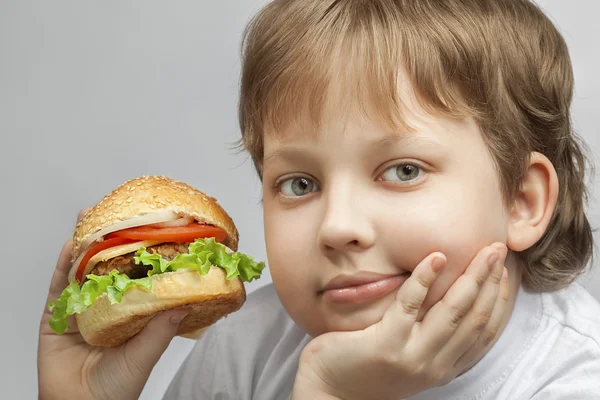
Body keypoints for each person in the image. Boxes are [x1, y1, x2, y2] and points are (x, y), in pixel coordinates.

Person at [38, 0, 600, 399]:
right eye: (300, 184)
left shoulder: (573, 377)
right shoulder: (245, 349)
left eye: (403, 170)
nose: (338, 226)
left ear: (522, 200)